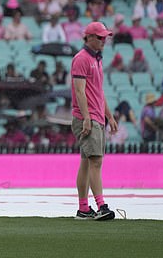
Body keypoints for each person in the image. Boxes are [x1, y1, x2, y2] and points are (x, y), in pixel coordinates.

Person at [70, 21, 117, 220]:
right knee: (95, 161)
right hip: (88, 118)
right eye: (100, 37)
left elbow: (98, 91)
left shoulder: (96, 59)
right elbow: (79, 92)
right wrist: (87, 118)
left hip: (95, 116)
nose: (104, 40)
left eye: (105, 36)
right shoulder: (81, 59)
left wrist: (109, 116)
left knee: (87, 163)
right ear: (89, 37)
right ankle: (101, 206)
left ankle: (83, 208)